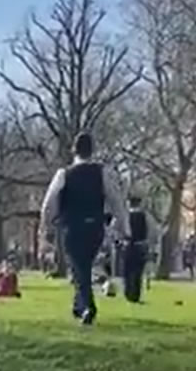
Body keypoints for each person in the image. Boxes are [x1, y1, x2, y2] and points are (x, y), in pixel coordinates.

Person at [40, 133, 130, 325]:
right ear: (92, 150)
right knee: (82, 266)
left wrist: (46, 228)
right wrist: (124, 226)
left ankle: (88, 306)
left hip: (71, 227)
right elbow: (116, 200)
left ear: (74, 150)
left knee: (79, 266)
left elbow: (49, 204)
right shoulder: (102, 172)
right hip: (95, 226)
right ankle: (78, 306)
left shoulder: (63, 174)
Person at [124, 195, 159, 303]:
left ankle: (128, 292)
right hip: (141, 245)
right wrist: (150, 243)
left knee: (127, 271)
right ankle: (136, 294)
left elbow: (118, 228)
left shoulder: (125, 215)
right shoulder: (145, 216)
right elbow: (153, 230)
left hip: (128, 245)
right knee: (138, 271)